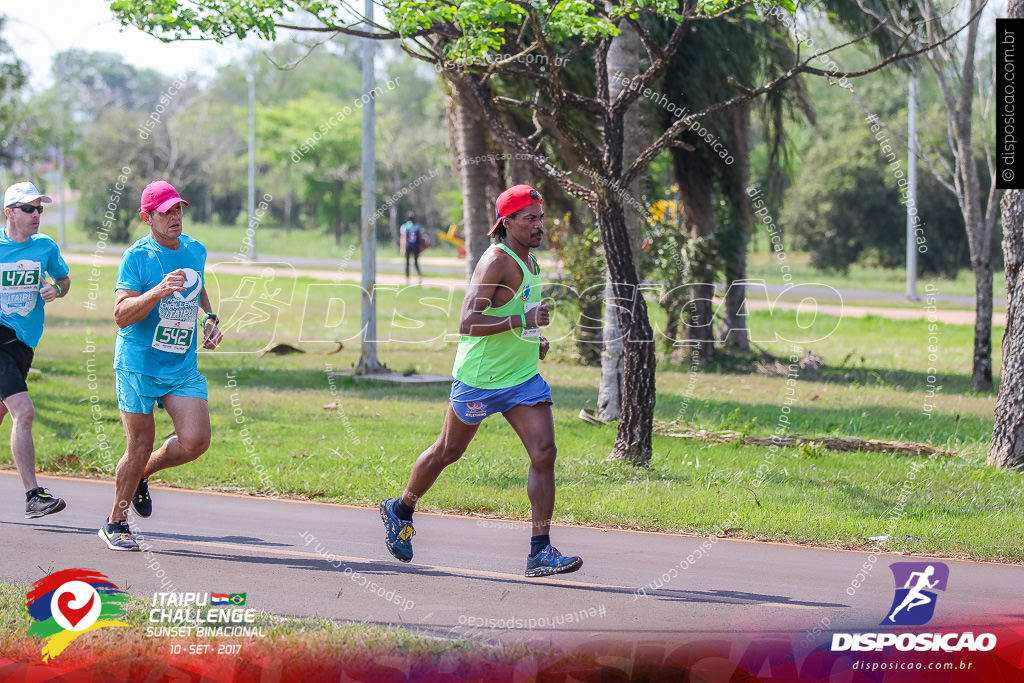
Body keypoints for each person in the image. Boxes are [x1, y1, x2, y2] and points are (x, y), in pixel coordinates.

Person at [381, 185, 582, 577]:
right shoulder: (496, 261)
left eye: (541, 218)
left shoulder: (531, 261)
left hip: (521, 378)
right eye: (530, 219)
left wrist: (533, 338)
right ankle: (401, 508)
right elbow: (467, 322)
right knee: (448, 452)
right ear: (507, 222)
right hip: (480, 379)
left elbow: (515, 311)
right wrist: (524, 321)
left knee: (544, 454)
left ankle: (539, 551)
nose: (539, 226)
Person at [99, 180, 223, 551]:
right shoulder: (137, 257)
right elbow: (120, 315)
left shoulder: (195, 249)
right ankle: (114, 522)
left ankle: (141, 475)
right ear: (147, 217)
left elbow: (196, 285)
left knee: (196, 440)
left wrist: (210, 317)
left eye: (178, 209)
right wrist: (156, 292)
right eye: (166, 211)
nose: (175, 217)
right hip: (138, 364)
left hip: (181, 364)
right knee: (139, 444)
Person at [0, 182, 71, 519]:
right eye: (28, 208)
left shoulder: (45, 247)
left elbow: (64, 280)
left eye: (39, 209)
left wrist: (55, 289)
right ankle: (33, 496)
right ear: (9, 212)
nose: (36, 215)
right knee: (23, 412)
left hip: (24, 344)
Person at [400, 212, 424, 283]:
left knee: (407, 262)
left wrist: (402, 248)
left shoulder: (404, 226)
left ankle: (407, 278)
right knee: (416, 262)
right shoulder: (418, 226)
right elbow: (420, 237)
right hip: (416, 246)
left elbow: (403, 238)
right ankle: (419, 276)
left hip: (408, 246)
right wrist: (421, 247)